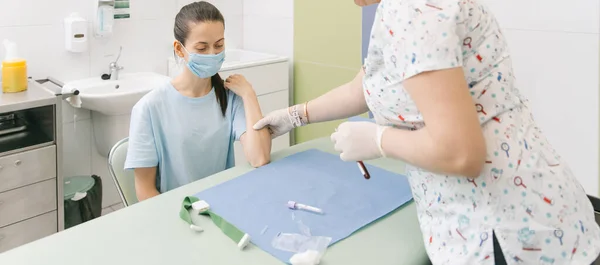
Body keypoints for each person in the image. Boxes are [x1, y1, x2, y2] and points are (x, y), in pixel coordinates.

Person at [254, 0, 600, 264]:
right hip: (535, 209)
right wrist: (296, 115)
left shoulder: (411, 10)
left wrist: (379, 140)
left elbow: (461, 153)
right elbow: (369, 85)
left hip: (505, 234)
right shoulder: (399, 8)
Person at [125, 1, 271, 201]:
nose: (213, 54)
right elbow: (145, 192)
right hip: (175, 214)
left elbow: (259, 158)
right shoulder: (149, 108)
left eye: (219, 45)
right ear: (179, 49)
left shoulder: (229, 98)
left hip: (222, 206)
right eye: (202, 48)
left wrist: (249, 95)